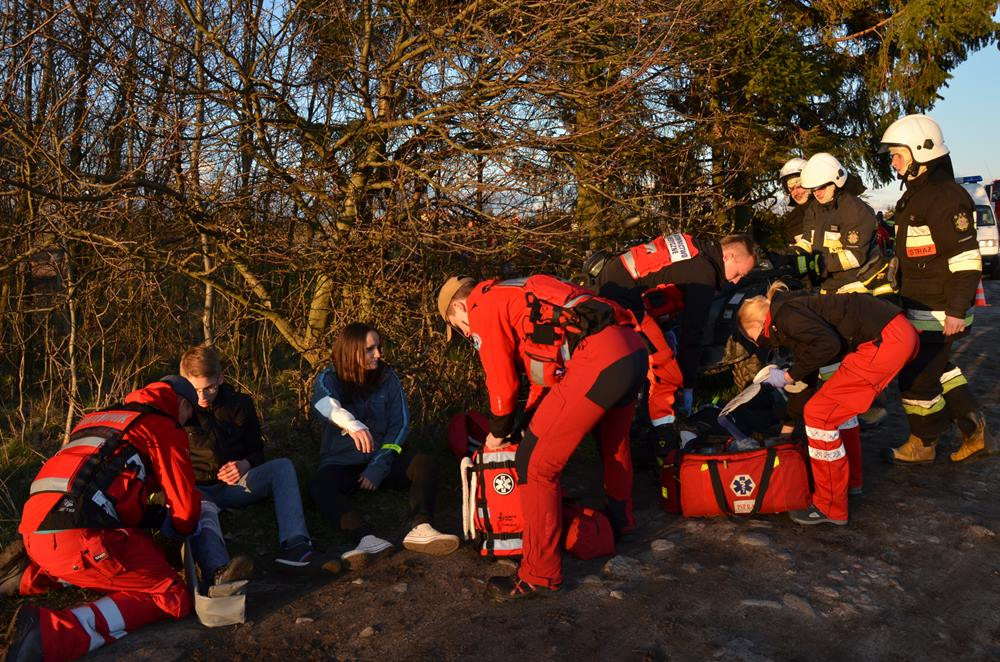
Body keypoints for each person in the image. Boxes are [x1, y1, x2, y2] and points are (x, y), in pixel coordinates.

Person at [438, 274, 647, 598]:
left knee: (535, 465)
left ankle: (539, 574)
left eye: (460, 326)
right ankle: (621, 523)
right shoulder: (519, 293)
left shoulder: (482, 306)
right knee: (613, 445)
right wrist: (528, 423)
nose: (467, 333)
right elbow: (544, 376)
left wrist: (499, 432)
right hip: (631, 349)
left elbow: (502, 385)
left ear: (461, 307)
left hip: (599, 357)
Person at [3, 377, 203, 662]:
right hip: (82, 539)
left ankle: (24, 576)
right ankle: (50, 635)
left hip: (35, 530)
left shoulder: (99, 418)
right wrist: (180, 531)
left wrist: (145, 514)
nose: (186, 423)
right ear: (182, 404)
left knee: (102, 555)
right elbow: (186, 510)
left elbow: (99, 483)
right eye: (188, 416)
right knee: (170, 594)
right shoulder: (163, 426)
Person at [737, 284, 918, 525]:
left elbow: (827, 346)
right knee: (834, 410)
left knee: (819, 416)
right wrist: (788, 425)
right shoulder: (793, 309)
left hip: (886, 341)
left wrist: (787, 377)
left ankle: (830, 506)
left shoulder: (786, 317)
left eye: (753, 338)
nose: (760, 343)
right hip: (895, 334)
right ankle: (850, 483)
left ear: (757, 326)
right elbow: (810, 372)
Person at [878, 114, 993, 463]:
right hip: (921, 304)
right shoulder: (917, 196)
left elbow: (965, 259)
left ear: (920, 153)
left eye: (898, 155)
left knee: (917, 378)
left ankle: (923, 443)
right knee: (937, 368)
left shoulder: (944, 197)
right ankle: (974, 428)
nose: (894, 163)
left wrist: (957, 310)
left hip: (940, 309)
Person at [179, 345, 337, 580]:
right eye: (195, 390)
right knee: (204, 508)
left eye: (209, 388)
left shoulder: (240, 403)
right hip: (198, 490)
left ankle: (297, 547)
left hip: (235, 485)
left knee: (282, 466)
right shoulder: (177, 410)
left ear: (221, 377)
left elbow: (256, 451)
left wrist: (245, 464)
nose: (202, 397)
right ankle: (220, 572)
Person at [311, 323, 459, 569]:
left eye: (378, 347)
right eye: (370, 349)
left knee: (425, 462)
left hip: (382, 459)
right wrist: (352, 424)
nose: (378, 354)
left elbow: (400, 425)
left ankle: (421, 526)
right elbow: (325, 405)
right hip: (341, 463)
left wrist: (380, 463)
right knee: (319, 486)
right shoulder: (329, 378)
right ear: (352, 351)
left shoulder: (388, 377)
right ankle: (365, 538)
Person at [593, 233, 757, 447]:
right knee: (665, 370)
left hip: (614, 281)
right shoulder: (704, 274)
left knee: (658, 347)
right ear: (728, 257)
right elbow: (692, 334)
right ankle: (659, 440)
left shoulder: (696, 247)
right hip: (623, 298)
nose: (735, 281)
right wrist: (688, 386)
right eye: (738, 274)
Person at [798, 152, 894, 297]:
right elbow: (807, 241)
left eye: (821, 187)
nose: (817, 193)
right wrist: (793, 255)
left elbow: (855, 257)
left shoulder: (855, 210)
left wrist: (822, 263)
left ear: (836, 181)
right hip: (827, 287)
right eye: (813, 189)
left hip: (856, 286)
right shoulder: (814, 209)